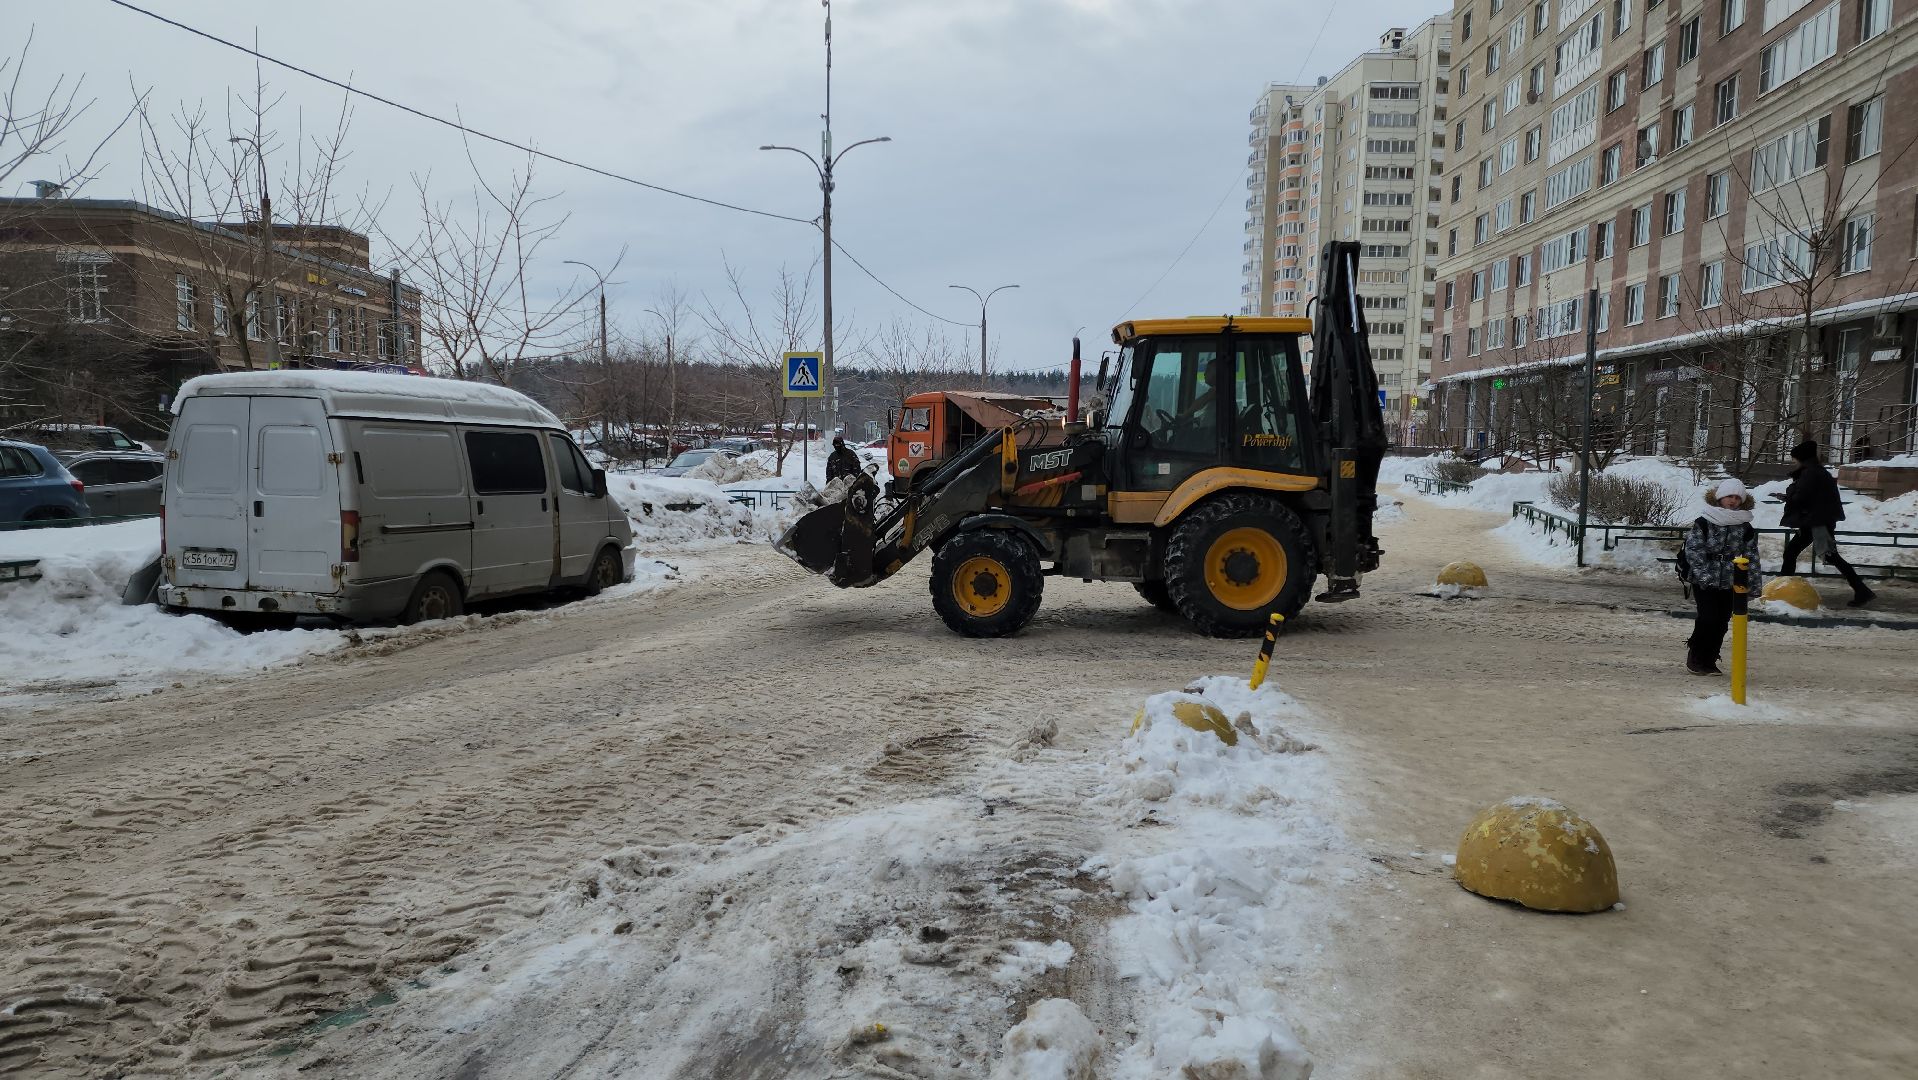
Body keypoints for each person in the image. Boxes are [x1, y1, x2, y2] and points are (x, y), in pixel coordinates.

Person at [1778, 438, 1874, 607]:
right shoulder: (1817, 471)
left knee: (1829, 556)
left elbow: (1801, 498)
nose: (1793, 462)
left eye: (1794, 459)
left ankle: (1862, 590)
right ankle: (1782, 589)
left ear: (1801, 458)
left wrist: (1790, 492)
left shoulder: (1810, 473)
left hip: (1817, 523)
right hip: (1815, 521)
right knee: (1793, 552)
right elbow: (1811, 497)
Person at [1682, 478, 1764, 676]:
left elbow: (1751, 555)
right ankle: (1696, 656)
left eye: (1737, 497)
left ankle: (1710, 659)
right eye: (1729, 496)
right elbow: (1694, 549)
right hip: (1705, 579)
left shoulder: (1745, 526)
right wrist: (1704, 575)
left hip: (1731, 580)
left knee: (1722, 621)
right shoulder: (1705, 521)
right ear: (1720, 497)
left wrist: (1753, 584)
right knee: (1708, 618)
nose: (1733, 501)